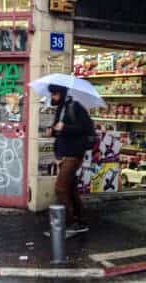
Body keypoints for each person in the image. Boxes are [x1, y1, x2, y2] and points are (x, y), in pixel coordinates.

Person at [45, 84, 95, 235]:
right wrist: (52, 131)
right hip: (64, 154)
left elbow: (86, 129)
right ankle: (81, 221)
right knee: (71, 188)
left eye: (54, 94)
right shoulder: (61, 108)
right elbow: (60, 131)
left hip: (74, 154)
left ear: (61, 93)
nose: (52, 98)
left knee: (60, 187)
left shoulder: (76, 107)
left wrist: (64, 127)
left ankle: (69, 223)